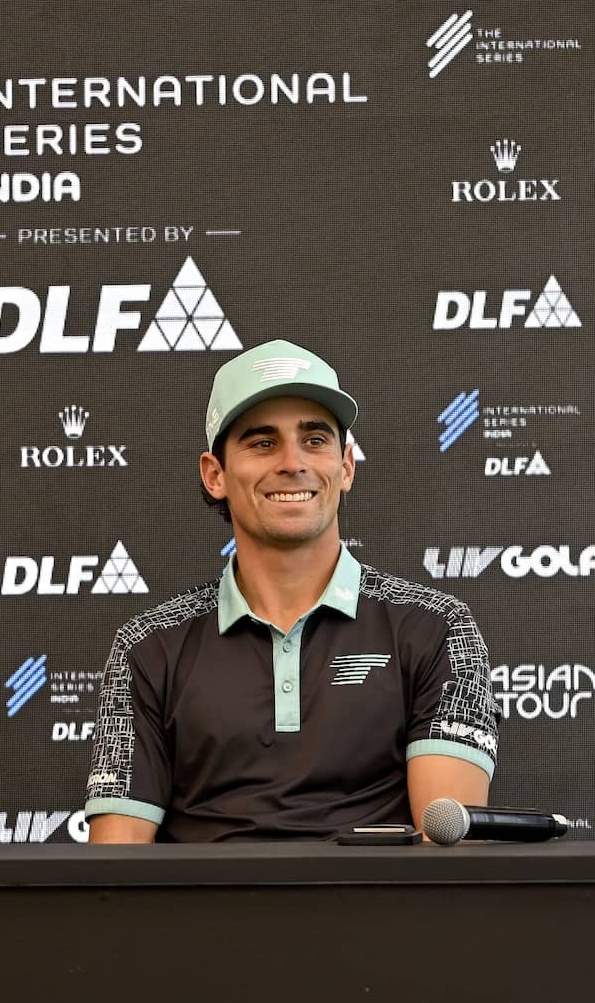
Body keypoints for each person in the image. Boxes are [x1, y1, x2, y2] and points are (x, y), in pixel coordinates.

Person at [84, 340, 498, 842]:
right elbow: (116, 869)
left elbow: (446, 851)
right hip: (201, 920)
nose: (292, 462)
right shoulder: (148, 646)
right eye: (262, 443)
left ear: (346, 466)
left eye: (315, 440)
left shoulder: (436, 627)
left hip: (377, 917)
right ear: (215, 475)